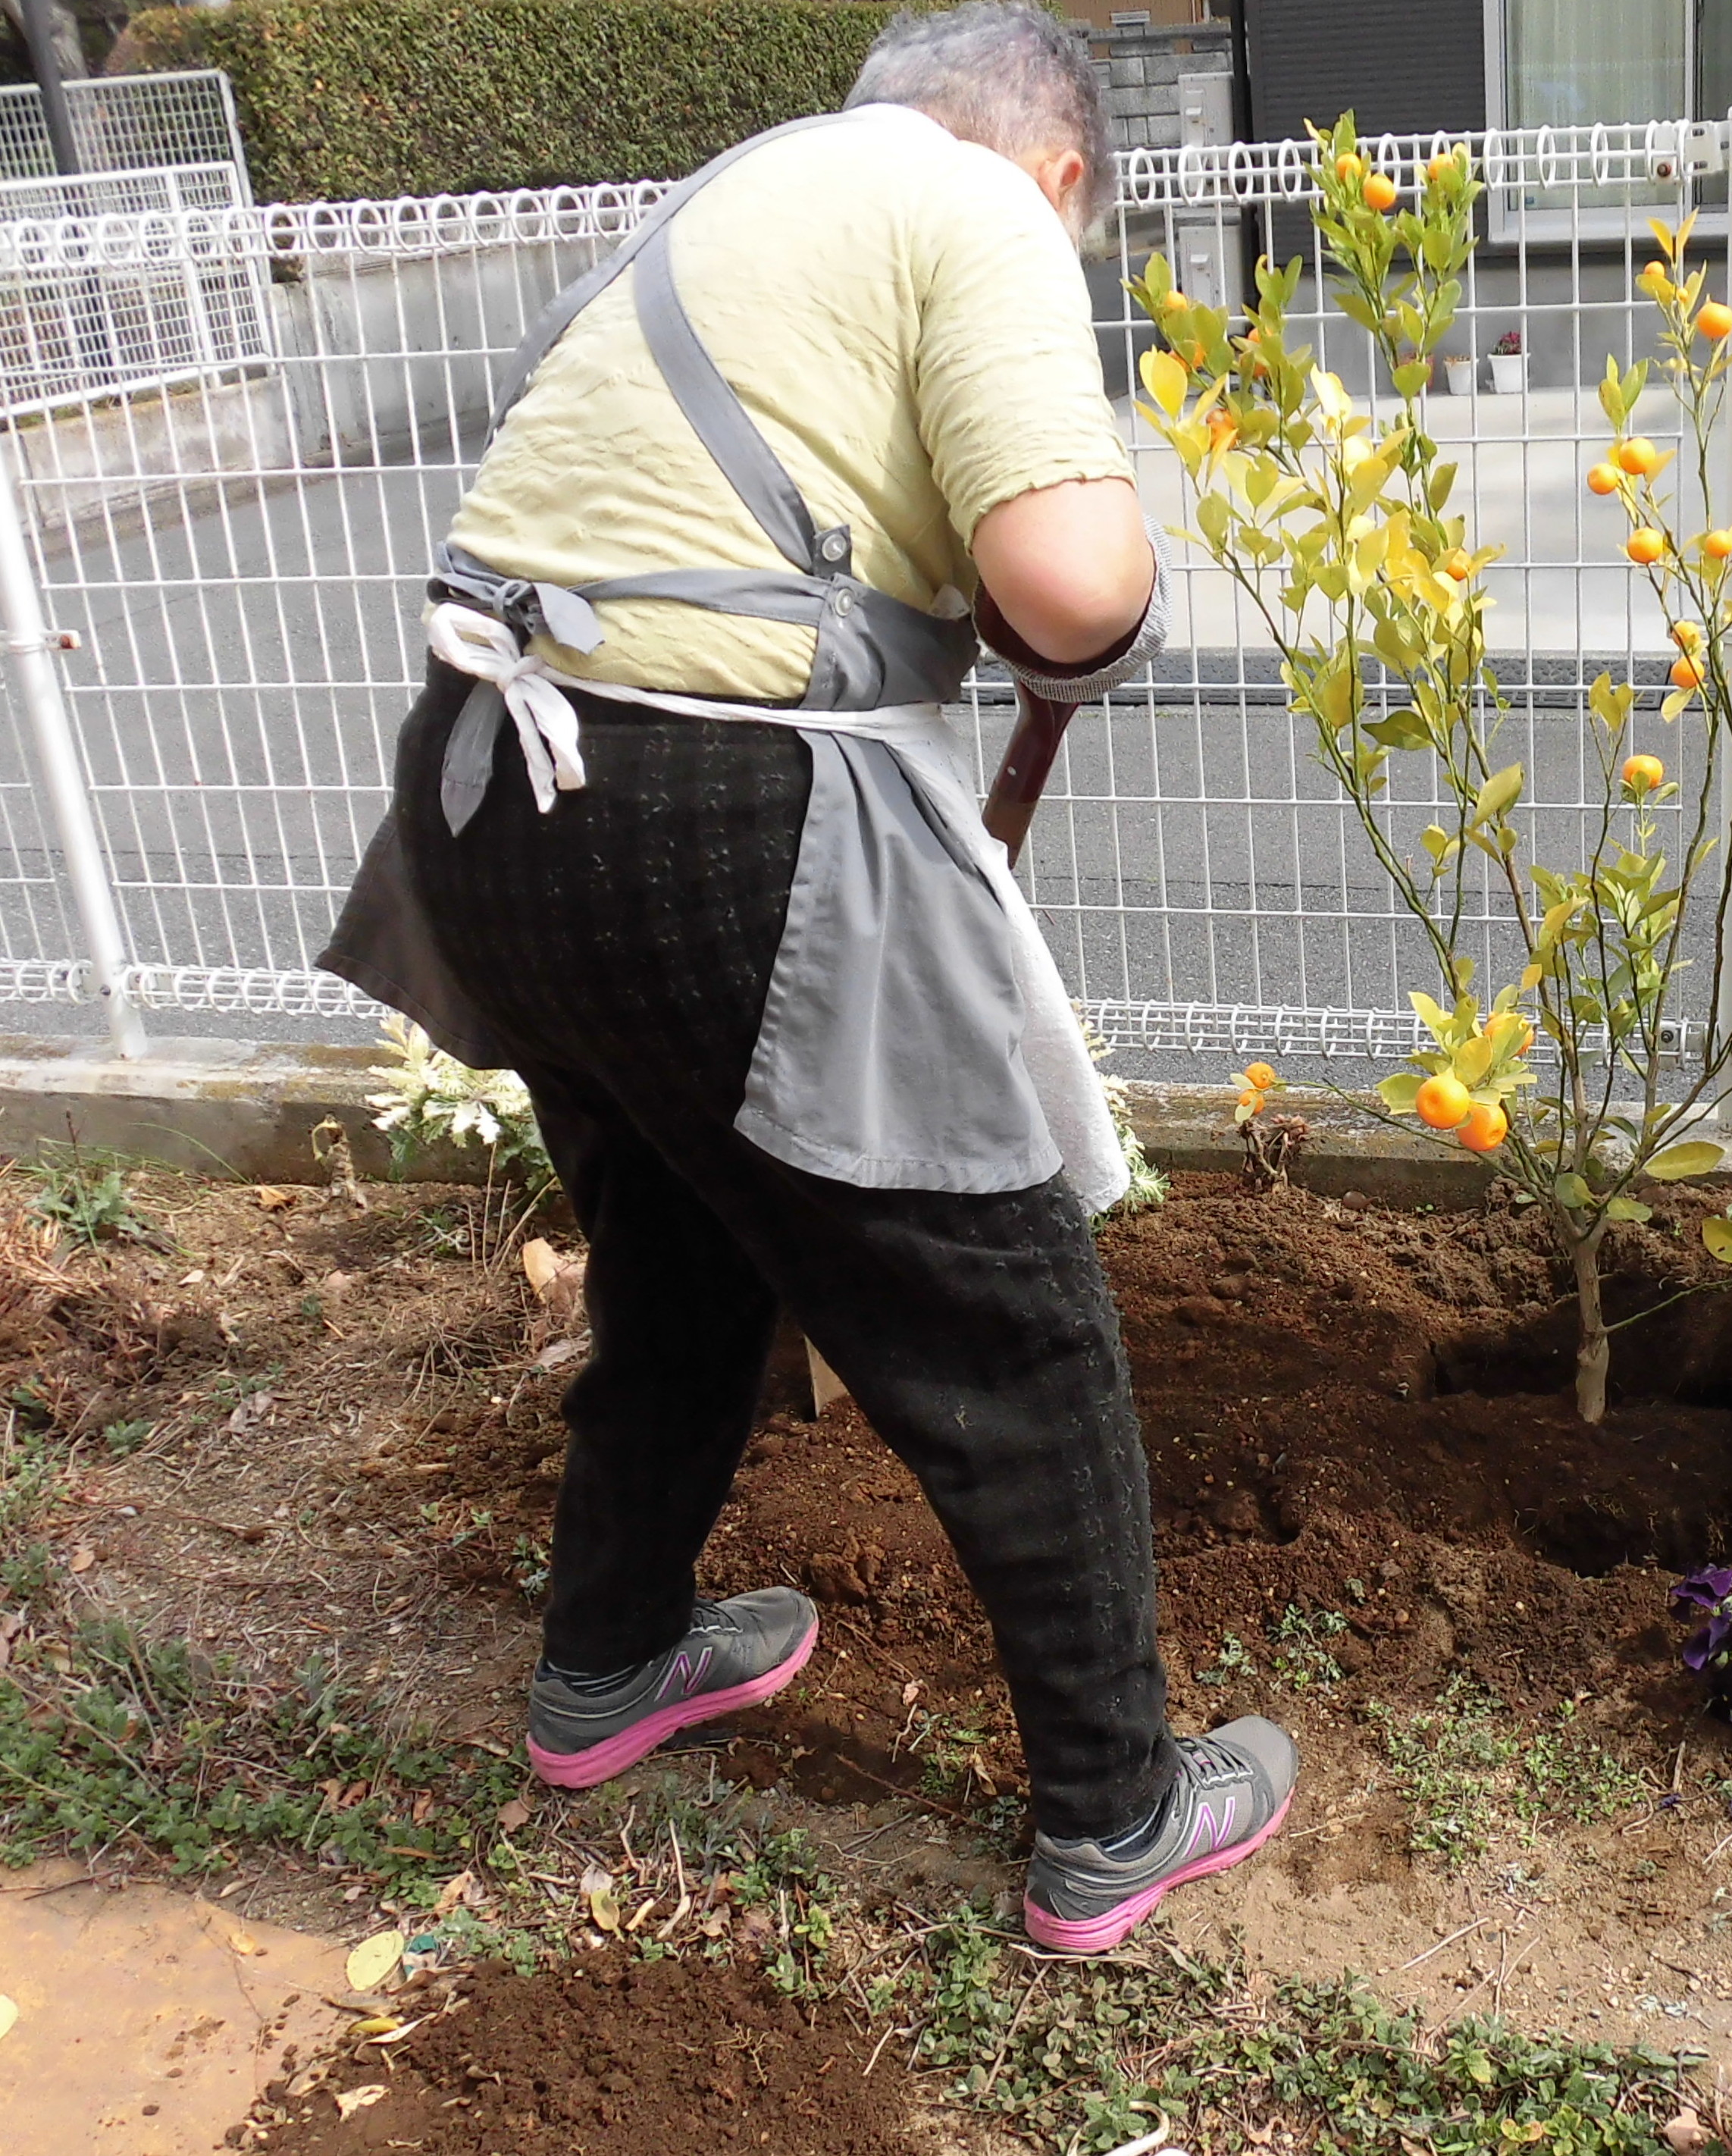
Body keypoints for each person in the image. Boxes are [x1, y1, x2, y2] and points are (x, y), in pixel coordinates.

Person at [319, 2, 1292, 1955]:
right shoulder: (980, 207)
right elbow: (1074, 585)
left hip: (483, 789)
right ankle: (1115, 1812)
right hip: (698, 812)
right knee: (1006, 1315)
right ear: (1064, 170)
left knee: (681, 1247)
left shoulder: (729, 200)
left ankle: (609, 1665)